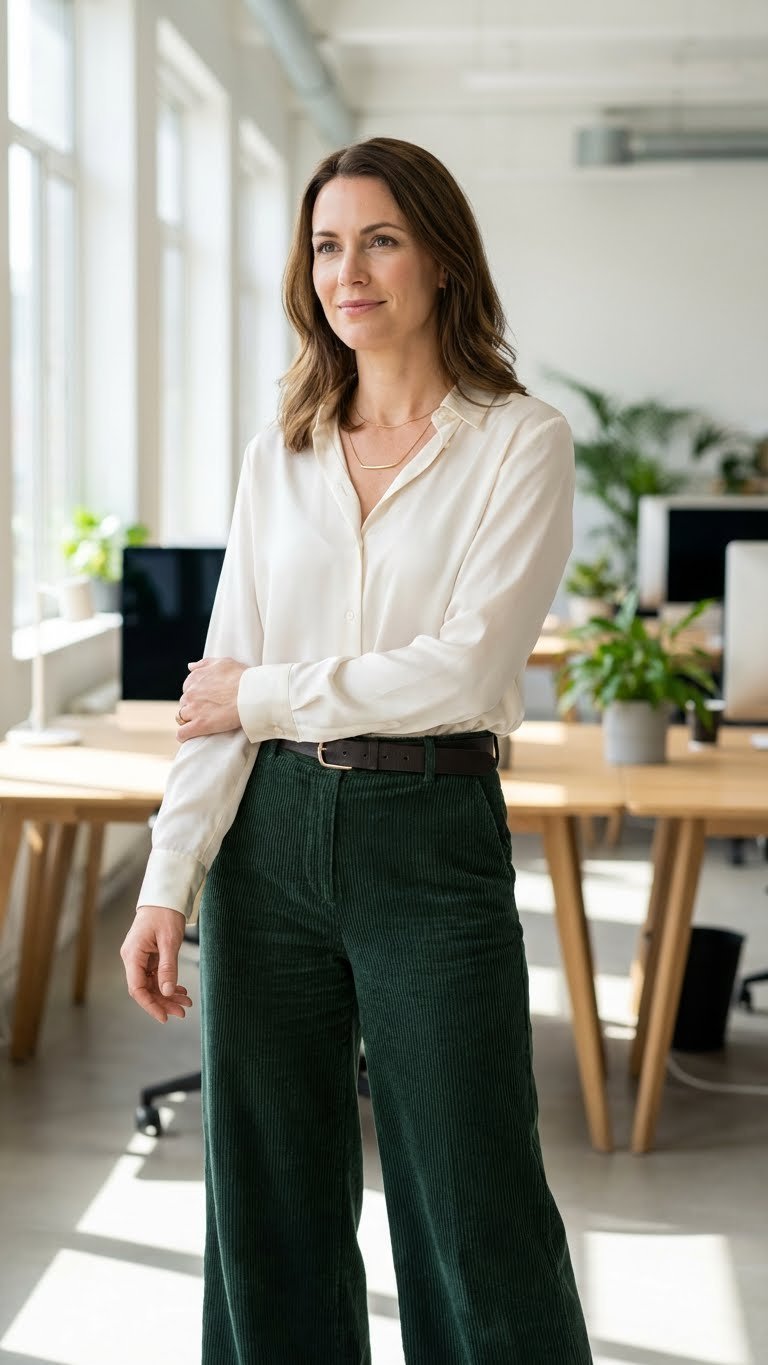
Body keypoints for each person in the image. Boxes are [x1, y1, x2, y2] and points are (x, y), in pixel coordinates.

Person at [120, 135, 593, 1364]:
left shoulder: (518, 441)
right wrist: (168, 881)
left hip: (427, 838)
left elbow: (465, 671)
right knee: (264, 1201)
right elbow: (210, 703)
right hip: (265, 850)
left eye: (380, 239)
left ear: (439, 257)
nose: (351, 271)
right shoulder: (278, 451)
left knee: (472, 1203)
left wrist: (262, 696)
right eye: (328, 246)